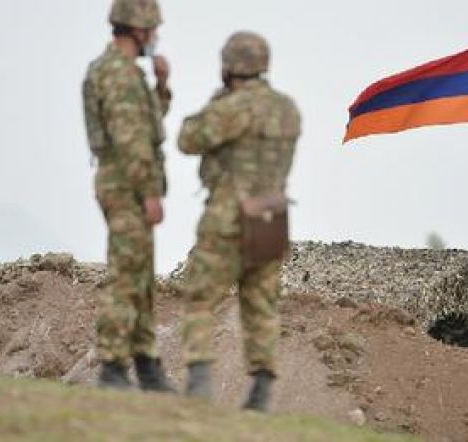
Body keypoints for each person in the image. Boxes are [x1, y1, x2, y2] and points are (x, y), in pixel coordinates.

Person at [177, 31, 302, 411]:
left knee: (201, 296)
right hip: (271, 217)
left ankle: (199, 383)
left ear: (229, 66)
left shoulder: (232, 108)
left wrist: (215, 103)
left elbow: (188, 139)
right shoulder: (288, 109)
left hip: (228, 216)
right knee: (261, 304)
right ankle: (260, 392)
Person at [81, 0, 173, 393]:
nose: (156, 36)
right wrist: (149, 193)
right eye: (153, 29)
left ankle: (146, 365)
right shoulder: (117, 74)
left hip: (126, 182)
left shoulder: (125, 72)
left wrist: (162, 86)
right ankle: (113, 366)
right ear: (138, 29)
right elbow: (131, 140)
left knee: (140, 276)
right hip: (126, 186)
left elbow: (147, 123)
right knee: (126, 275)